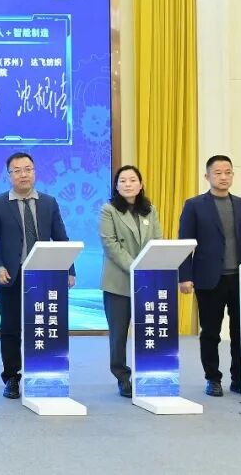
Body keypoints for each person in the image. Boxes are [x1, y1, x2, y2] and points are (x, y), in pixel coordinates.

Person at [0, 152, 73, 399]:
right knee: (11, 327)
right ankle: (12, 377)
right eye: (17, 170)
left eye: (28, 169)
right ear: (9, 175)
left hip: (44, 275)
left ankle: (42, 373)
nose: (24, 174)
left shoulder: (49, 202)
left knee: (42, 325)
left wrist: (69, 269)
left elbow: (61, 237)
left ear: (34, 172)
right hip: (10, 275)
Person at [178, 154, 241, 396]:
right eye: (218, 173)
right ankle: (212, 378)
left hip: (240, 279)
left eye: (228, 172)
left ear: (233, 175)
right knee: (211, 332)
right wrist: (184, 276)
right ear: (207, 176)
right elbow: (185, 243)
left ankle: (238, 379)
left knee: (240, 332)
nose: (224, 177)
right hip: (208, 279)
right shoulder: (194, 205)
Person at [98, 164, 162, 398]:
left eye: (132, 180)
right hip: (118, 282)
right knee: (119, 334)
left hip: (147, 281)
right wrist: (135, 267)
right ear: (116, 186)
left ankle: (147, 373)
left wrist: (148, 266)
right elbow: (111, 244)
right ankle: (122, 377)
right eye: (122, 180)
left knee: (148, 330)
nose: (128, 184)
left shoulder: (150, 210)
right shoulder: (108, 210)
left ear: (141, 184)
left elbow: (157, 240)